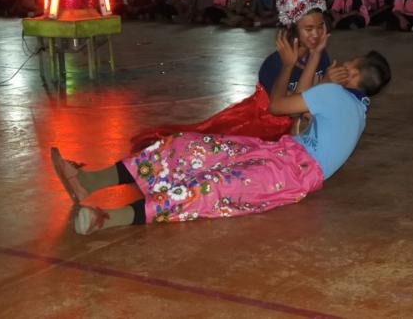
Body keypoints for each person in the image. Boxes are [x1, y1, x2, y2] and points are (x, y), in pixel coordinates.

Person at [52, 31, 391, 234]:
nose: (341, 63)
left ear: (352, 74)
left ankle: (109, 218)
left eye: (348, 63)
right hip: (284, 152)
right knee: (189, 147)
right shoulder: (358, 110)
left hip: (291, 172)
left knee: (212, 187)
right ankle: (90, 181)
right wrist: (318, 63)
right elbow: (302, 112)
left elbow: (278, 107)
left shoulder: (334, 95)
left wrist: (290, 64)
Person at [129, 0, 338, 152]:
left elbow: (313, 96)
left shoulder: (321, 55)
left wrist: (327, 80)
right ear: (294, 29)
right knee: (210, 141)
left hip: (296, 127)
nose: (316, 34)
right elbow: (284, 108)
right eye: (308, 28)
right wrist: (292, 70)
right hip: (262, 122)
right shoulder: (275, 63)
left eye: (320, 27)